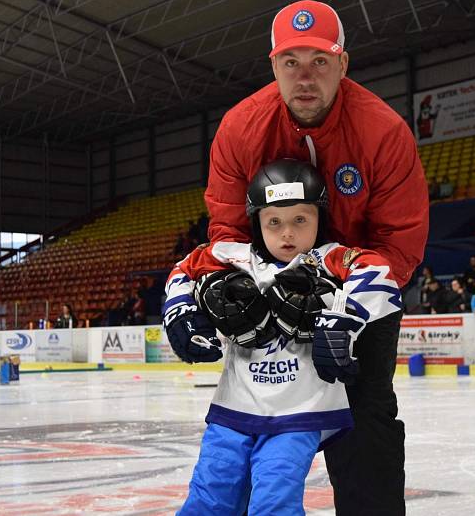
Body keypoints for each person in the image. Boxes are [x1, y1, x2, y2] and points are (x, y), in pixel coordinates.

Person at [202, 0, 429, 513]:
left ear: (343, 63)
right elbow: (227, 229)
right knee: (244, 430)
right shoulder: (240, 129)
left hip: (358, 294)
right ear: (273, 66)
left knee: (366, 423)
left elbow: (400, 245)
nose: (304, 77)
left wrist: (346, 314)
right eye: (291, 63)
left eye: (319, 62)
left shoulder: (385, 133)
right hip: (267, 295)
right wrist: (227, 293)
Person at [163, 161, 402, 515]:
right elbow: (184, 267)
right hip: (233, 409)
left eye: (300, 220)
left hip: (298, 415)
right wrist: (179, 310)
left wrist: (343, 321)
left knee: (274, 503)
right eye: (274, 221)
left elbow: (381, 275)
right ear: (257, 222)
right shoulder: (234, 257)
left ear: (319, 218)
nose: (287, 233)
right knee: (208, 498)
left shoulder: (330, 258)